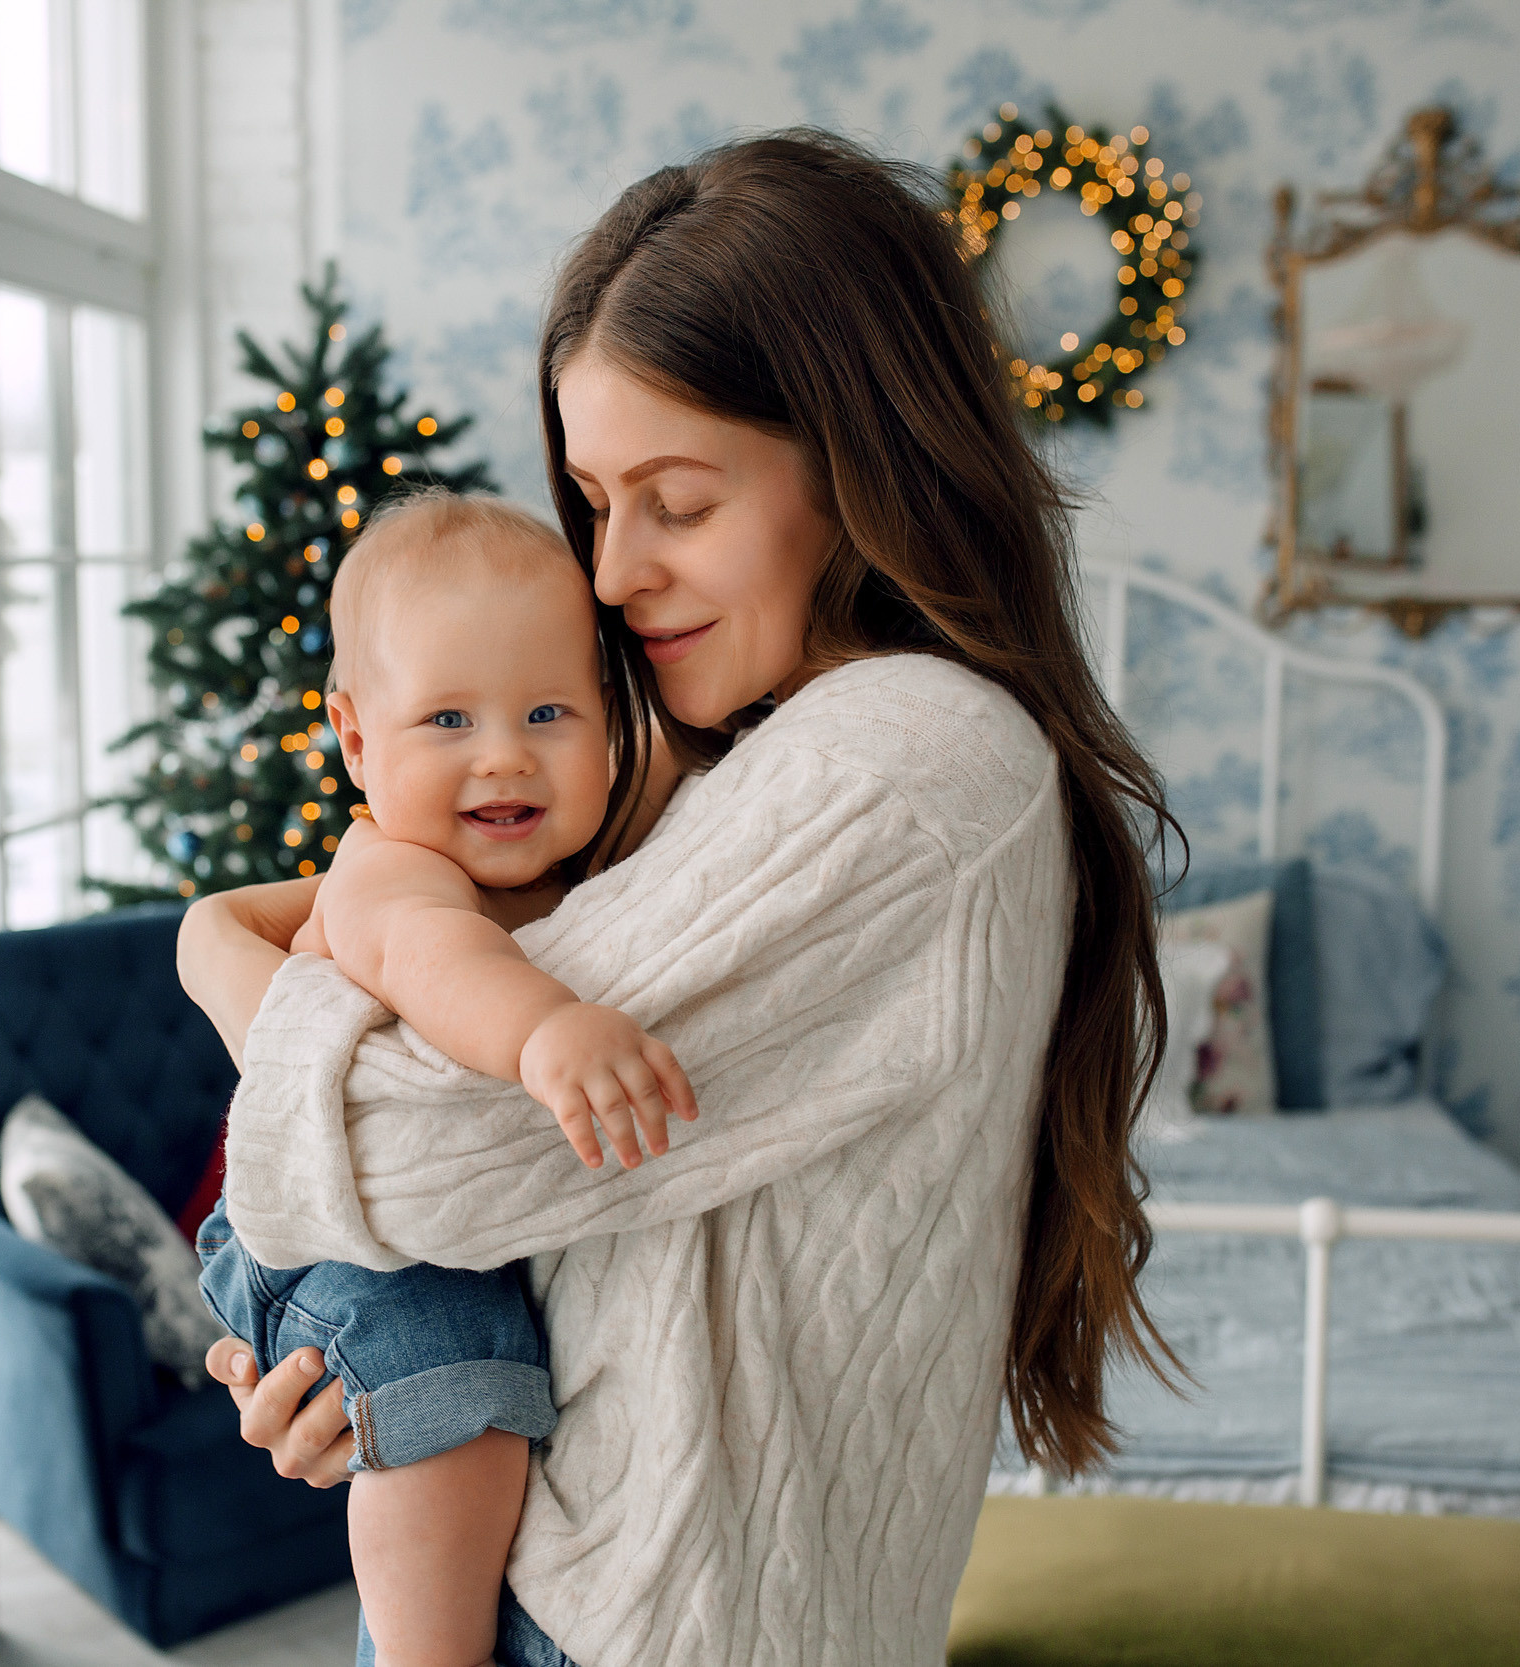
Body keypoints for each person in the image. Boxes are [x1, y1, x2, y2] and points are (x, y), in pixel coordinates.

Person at [179, 129, 1178, 1667]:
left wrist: (224, 967)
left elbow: (413, 1144)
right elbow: (458, 1130)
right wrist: (369, 1364)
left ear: (859, 466)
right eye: (593, 500)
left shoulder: (901, 760)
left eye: (680, 500)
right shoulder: (737, 760)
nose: (615, 571)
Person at [194, 491, 695, 1667]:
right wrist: (545, 1033)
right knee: (459, 1375)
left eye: (547, 710)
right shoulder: (390, 871)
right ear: (359, 739)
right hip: (323, 1239)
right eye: (450, 717)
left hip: (419, 1228)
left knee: (483, 1381)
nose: (504, 754)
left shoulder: (587, 857)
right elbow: (439, 959)